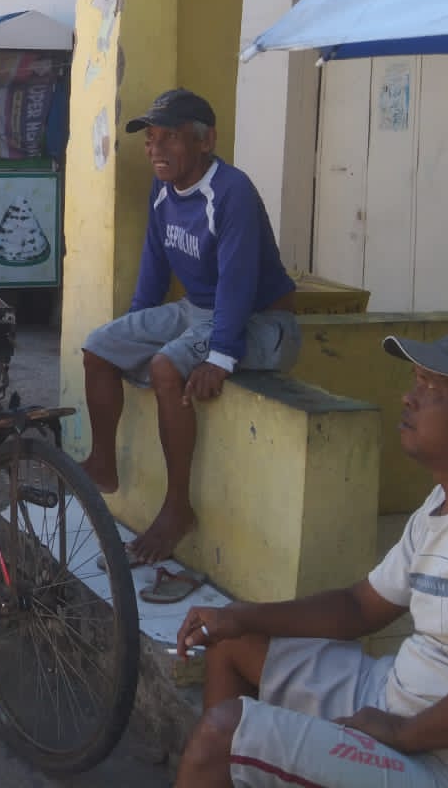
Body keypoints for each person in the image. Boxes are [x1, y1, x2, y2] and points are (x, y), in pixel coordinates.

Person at [174, 330, 448, 788]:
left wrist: (402, 733)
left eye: (433, 389)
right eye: (416, 381)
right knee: (233, 642)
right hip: (396, 701)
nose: (409, 398)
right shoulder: (442, 503)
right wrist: (241, 615)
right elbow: (360, 607)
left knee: (223, 736)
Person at [79, 88, 298, 564]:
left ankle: (178, 509)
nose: (155, 149)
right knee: (98, 347)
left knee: (166, 367)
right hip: (197, 308)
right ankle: (102, 465)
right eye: (150, 139)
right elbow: (154, 264)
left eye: (170, 137)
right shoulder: (163, 188)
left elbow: (238, 280)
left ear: (205, 141)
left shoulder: (232, 191)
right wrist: (134, 326)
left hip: (259, 321)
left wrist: (221, 355)